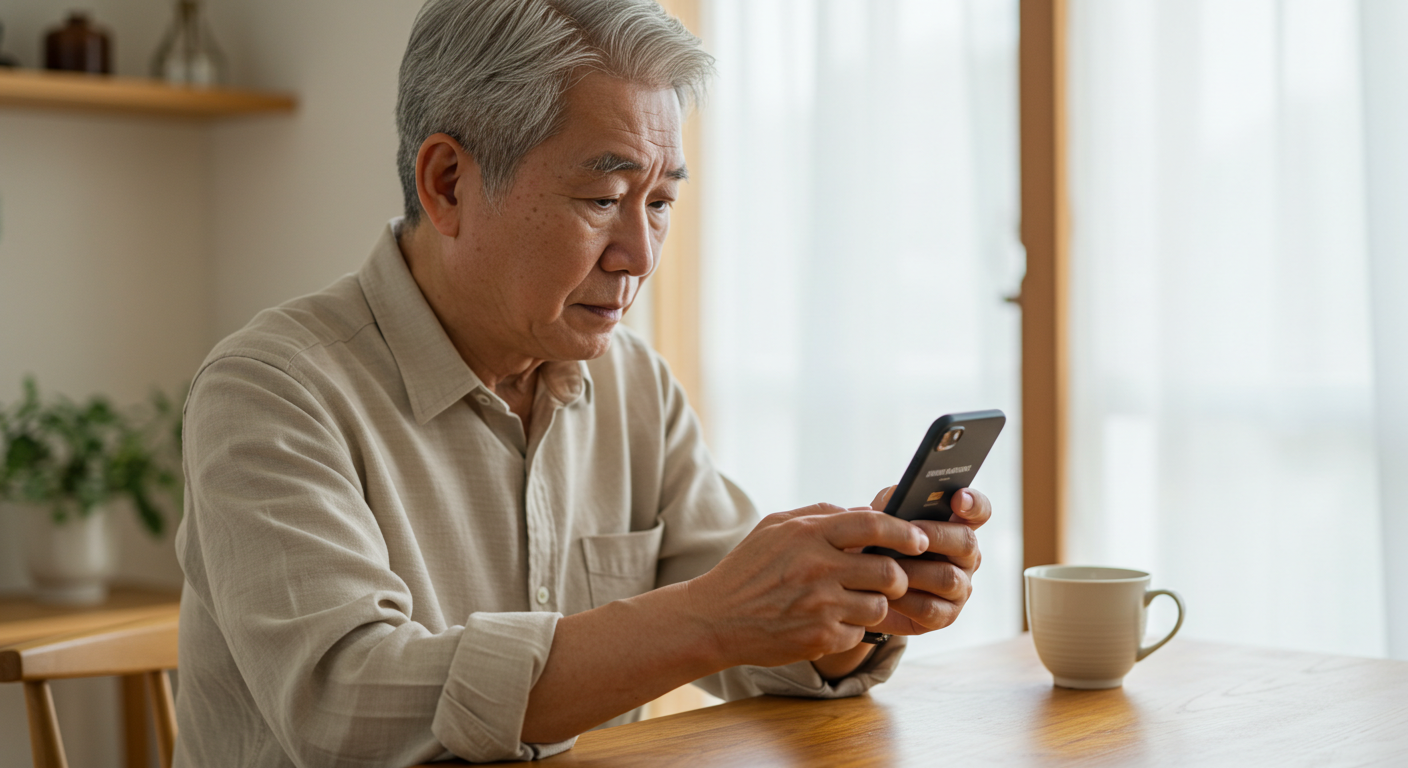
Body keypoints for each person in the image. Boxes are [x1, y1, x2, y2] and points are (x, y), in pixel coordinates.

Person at [172, 1, 993, 765]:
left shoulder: (635, 385)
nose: (639, 255)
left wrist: (856, 603)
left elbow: (756, 637)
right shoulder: (272, 391)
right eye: (603, 197)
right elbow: (345, 706)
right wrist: (712, 617)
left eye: (660, 203)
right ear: (447, 183)